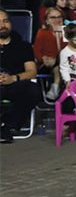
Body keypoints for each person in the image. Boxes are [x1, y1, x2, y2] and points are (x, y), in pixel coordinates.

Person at [0, 8, 42, 143]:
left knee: (33, 90)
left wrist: (13, 78)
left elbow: (32, 71)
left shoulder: (23, 46)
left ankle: (7, 125)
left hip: (14, 84)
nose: (2, 25)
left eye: (5, 21)